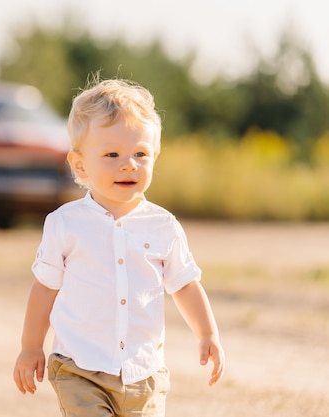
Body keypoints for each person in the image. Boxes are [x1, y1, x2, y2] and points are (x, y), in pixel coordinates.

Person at [13, 77, 225, 416]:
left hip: (144, 372)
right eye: (111, 154)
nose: (128, 164)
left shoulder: (163, 226)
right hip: (79, 369)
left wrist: (207, 333)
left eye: (140, 153)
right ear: (80, 165)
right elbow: (44, 289)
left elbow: (185, 284)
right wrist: (30, 346)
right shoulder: (65, 224)